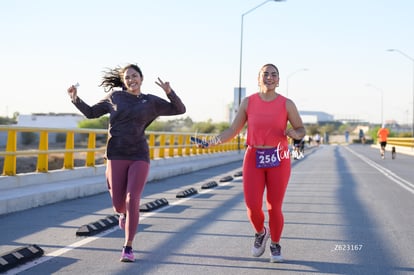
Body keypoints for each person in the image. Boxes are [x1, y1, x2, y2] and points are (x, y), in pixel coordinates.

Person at [67, 64, 186, 262]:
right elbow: (91, 113)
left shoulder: (151, 101)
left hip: (139, 155)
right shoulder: (115, 97)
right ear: (123, 81)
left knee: (133, 199)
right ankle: (121, 214)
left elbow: (180, 110)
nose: (132, 80)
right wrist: (75, 98)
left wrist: (169, 92)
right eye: (127, 77)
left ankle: (128, 247)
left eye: (135, 76)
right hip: (116, 154)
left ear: (141, 78)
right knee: (119, 203)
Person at [202, 64, 305, 263]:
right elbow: (232, 130)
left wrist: (295, 133)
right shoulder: (248, 102)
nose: (270, 77)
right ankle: (260, 232)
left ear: (278, 80)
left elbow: (301, 129)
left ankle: (275, 244)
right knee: (252, 206)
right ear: (258, 79)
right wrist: (211, 142)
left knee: (274, 206)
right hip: (253, 157)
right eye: (265, 74)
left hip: (278, 157)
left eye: (274, 75)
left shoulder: (287, 104)